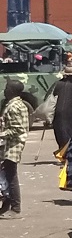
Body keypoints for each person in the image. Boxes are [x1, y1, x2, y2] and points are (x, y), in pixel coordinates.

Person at [0, 80, 31, 219]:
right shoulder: (17, 104)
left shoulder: (14, 107)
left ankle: (15, 208)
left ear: (12, 91)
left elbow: (18, 129)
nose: (4, 91)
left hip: (13, 145)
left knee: (11, 176)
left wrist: (2, 133)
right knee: (6, 175)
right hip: (10, 144)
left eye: (6, 88)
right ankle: (6, 205)